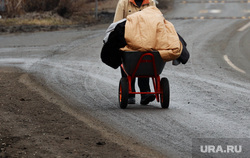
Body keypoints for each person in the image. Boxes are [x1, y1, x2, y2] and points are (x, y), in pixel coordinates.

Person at [113, 0, 156, 105]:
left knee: (145, 60)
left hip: (146, 40)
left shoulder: (150, 3)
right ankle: (129, 93)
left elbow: (156, 21)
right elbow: (117, 24)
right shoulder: (123, 3)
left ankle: (145, 92)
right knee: (128, 59)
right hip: (128, 40)